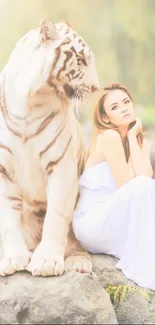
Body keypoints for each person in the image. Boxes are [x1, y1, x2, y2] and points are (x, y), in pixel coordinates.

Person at [73, 83, 155, 290]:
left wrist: (131, 137)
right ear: (106, 118)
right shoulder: (108, 137)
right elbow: (129, 186)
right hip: (92, 222)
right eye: (115, 107)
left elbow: (145, 178)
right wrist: (128, 136)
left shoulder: (138, 141)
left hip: (114, 217)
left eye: (126, 102)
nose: (124, 108)